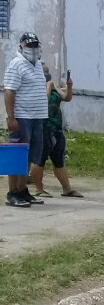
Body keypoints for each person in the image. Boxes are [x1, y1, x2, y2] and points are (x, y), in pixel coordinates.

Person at [4, 32, 48, 208]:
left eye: (35, 45)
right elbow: (9, 92)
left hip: (37, 117)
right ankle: (13, 192)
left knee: (30, 156)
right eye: (29, 46)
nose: (33, 49)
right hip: (22, 117)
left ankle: (23, 190)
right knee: (17, 154)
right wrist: (11, 118)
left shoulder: (38, 65)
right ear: (22, 47)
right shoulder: (16, 64)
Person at [33, 63, 82, 198]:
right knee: (40, 158)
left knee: (58, 158)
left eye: (48, 71)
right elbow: (43, 101)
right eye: (44, 71)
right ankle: (39, 188)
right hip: (43, 126)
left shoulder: (52, 86)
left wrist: (69, 86)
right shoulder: (37, 87)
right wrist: (48, 87)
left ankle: (67, 189)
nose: (47, 74)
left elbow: (66, 97)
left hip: (56, 128)